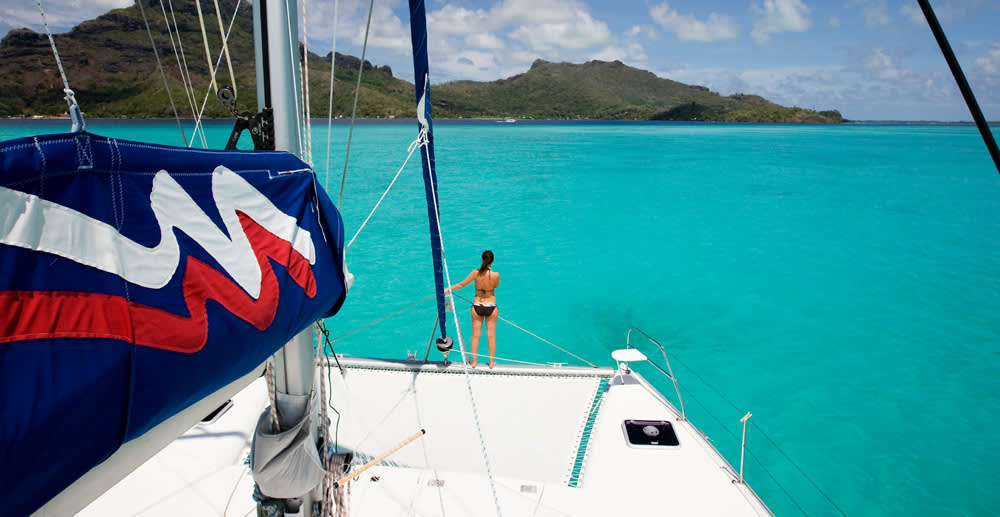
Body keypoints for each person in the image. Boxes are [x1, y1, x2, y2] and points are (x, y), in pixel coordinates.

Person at [447, 250, 499, 368]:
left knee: (476, 335)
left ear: (482, 259)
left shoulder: (475, 273)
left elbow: (461, 285)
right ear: (492, 261)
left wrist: (448, 289)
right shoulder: (496, 275)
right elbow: (496, 285)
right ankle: (491, 362)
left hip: (477, 306)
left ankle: (474, 361)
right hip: (491, 306)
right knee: (491, 336)